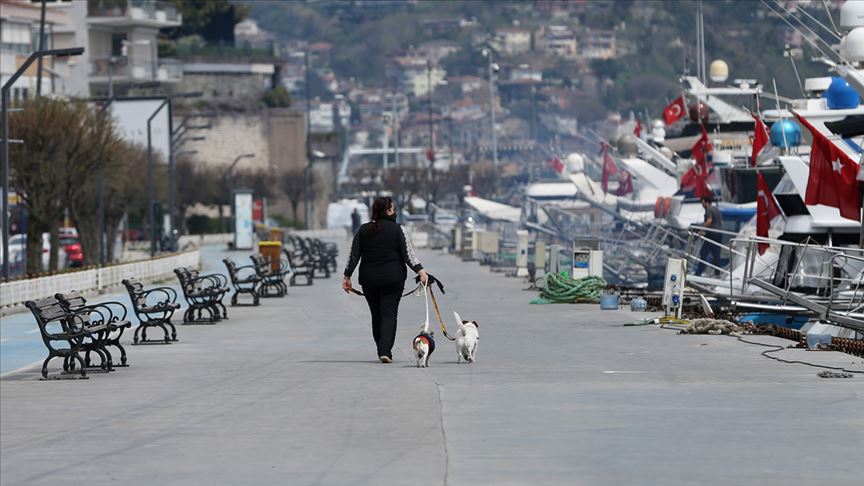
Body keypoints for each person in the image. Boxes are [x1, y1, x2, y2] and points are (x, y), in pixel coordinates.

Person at [343, 196, 428, 363]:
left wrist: (347, 276)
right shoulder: (398, 230)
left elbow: (353, 255)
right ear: (388, 211)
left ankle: (382, 349)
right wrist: (421, 271)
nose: (394, 211)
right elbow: (408, 254)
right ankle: (385, 351)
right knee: (389, 314)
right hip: (393, 279)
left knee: (376, 315)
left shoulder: (363, 230)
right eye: (393, 208)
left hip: (369, 280)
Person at [694, 196, 723, 276]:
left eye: (703, 203)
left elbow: (709, 220)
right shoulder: (716, 209)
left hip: (711, 234)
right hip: (719, 234)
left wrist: (702, 230)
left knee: (703, 253)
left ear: (707, 203)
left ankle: (698, 273)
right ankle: (718, 274)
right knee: (716, 254)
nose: (702, 206)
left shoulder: (708, 210)